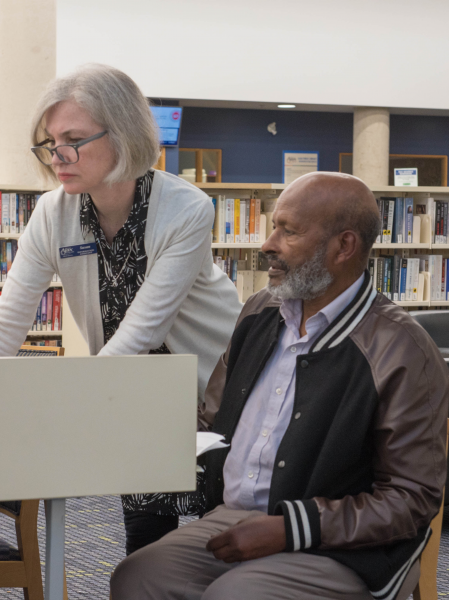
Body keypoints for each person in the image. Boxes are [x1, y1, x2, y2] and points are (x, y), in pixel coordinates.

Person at [111, 171, 449, 600]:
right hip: (237, 517)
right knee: (137, 576)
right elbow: (212, 420)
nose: (267, 244)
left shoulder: (403, 351)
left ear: (343, 246)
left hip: (348, 546)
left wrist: (292, 528)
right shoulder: (259, 312)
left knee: (236, 594)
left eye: (287, 231)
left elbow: (411, 499)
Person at [0, 63, 243, 554]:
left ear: (124, 134)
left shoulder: (186, 208)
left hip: (212, 390)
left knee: (219, 537)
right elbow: (7, 320)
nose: (58, 156)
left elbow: (142, 331)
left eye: (73, 139)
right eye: (50, 142)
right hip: (131, 390)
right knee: (144, 538)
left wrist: (71, 404)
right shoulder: (53, 213)